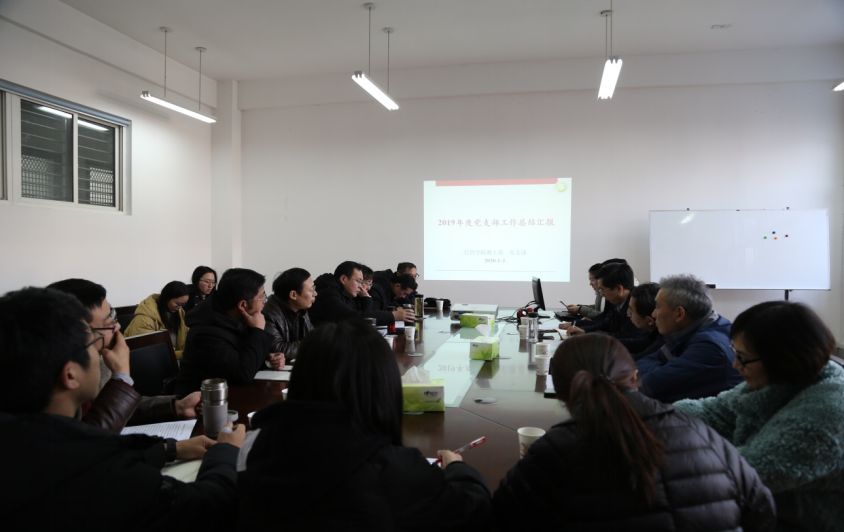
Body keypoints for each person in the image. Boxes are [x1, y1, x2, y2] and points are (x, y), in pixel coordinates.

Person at [0, 286, 246, 531]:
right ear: (70, 374)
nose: (114, 334)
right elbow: (209, 507)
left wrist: (169, 449)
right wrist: (226, 452)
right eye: (93, 342)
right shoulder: (106, 477)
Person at [493, 334, 775, 531]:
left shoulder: (555, 450)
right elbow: (762, 513)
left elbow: (500, 520)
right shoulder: (702, 433)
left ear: (560, 389)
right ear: (635, 376)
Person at [239, 319, 492, 529]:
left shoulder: (253, 445)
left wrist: (223, 452)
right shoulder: (393, 468)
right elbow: (474, 509)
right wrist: (458, 468)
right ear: (383, 386)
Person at [675, 301, 844, 532]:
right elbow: (711, 412)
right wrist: (655, 417)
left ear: (783, 359)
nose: (735, 365)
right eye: (736, 353)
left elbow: (748, 472)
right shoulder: (779, 380)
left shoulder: (828, 410)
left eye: (743, 357)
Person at [49, 278, 201, 432]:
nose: (118, 327)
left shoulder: (100, 359)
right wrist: (121, 377)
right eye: (108, 323)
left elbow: (116, 406)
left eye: (113, 316)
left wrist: (177, 406)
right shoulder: (54, 388)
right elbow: (88, 439)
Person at [636, 274, 742, 402]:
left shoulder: (710, 348)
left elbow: (645, 386)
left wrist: (662, 369)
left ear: (679, 313)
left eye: (657, 307)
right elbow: (642, 363)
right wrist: (663, 369)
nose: (653, 314)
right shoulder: (683, 332)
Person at [177, 268, 280, 396]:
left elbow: (243, 356)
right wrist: (258, 331)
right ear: (242, 305)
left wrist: (269, 358)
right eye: (261, 297)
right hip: (203, 403)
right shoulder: (206, 333)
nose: (265, 301)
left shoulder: (233, 318)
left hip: (231, 395)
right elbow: (242, 374)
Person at [567, 263, 649, 350]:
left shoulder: (636, 308)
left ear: (619, 289)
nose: (601, 294)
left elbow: (623, 338)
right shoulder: (619, 302)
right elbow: (607, 323)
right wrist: (585, 331)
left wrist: (590, 339)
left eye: (602, 290)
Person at [309, 261, 412, 326]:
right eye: (358, 281)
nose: (360, 286)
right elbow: (354, 317)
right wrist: (393, 316)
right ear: (343, 279)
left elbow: (363, 320)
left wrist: (366, 298)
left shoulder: (344, 293)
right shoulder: (328, 293)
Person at [124, 281, 189, 358]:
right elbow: (148, 349)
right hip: (148, 359)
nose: (180, 307)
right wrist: (179, 354)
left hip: (171, 357)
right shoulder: (145, 318)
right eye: (177, 304)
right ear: (167, 298)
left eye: (183, 304)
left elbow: (185, 335)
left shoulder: (179, 313)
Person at [263, 267, 316, 362]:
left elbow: (312, 337)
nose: (315, 293)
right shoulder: (269, 314)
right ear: (293, 295)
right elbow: (277, 349)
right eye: (311, 290)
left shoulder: (301, 309)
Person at [625, 282, 664, 359]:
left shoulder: (663, 341)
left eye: (631, 311)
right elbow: (638, 343)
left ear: (649, 321)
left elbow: (640, 359)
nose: (629, 314)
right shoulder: (651, 331)